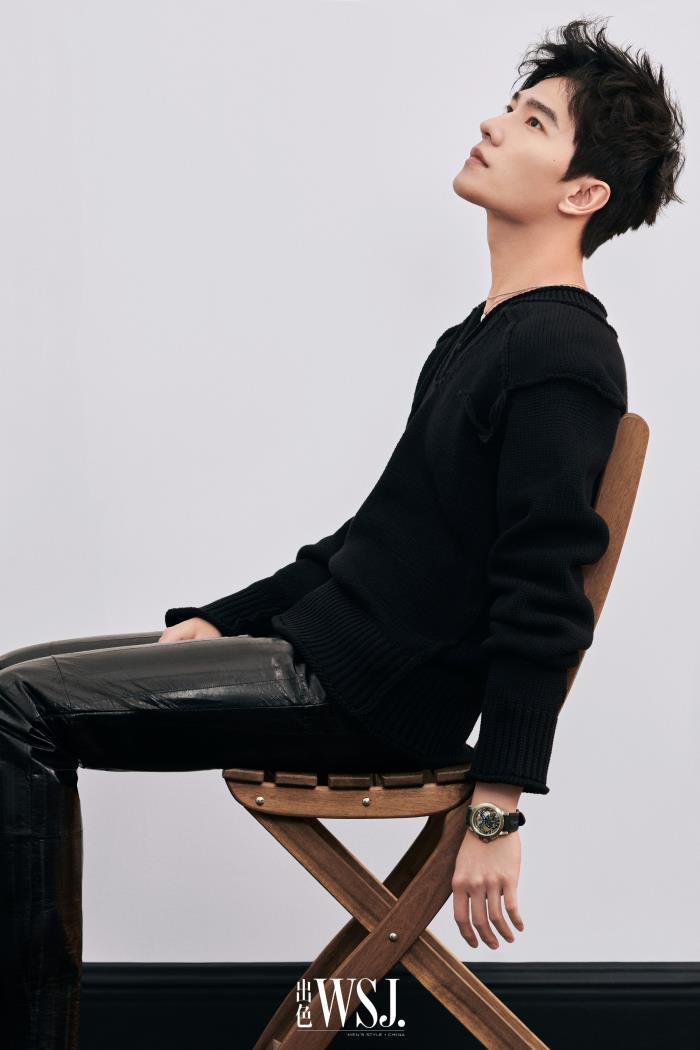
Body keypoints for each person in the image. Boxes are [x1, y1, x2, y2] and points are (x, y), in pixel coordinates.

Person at [0, 16, 685, 1050]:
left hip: (365, 696)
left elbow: (545, 588)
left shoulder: (561, 353)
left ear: (582, 193)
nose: (494, 125)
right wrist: (217, 620)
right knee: (17, 680)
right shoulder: (484, 337)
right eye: (509, 107)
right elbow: (365, 543)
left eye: (534, 121)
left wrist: (496, 807)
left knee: (16, 707)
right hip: (325, 661)